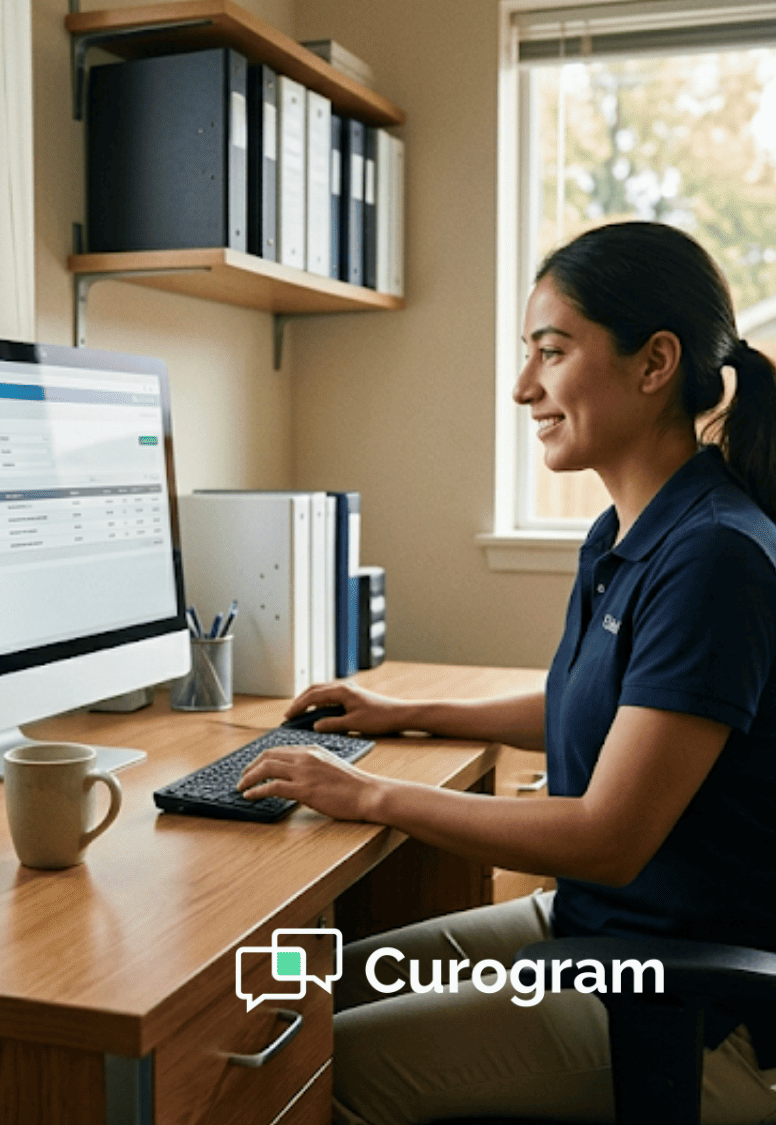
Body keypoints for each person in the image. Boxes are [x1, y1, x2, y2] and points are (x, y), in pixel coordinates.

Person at [238, 221, 776, 1124]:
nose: (524, 386)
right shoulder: (628, 532)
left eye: (552, 351)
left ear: (655, 364)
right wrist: (407, 711)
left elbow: (610, 833)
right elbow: (607, 707)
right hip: (593, 930)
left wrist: (368, 796)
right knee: (291, 979)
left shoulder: (714, 557)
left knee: (309, 1065)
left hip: (674, 1003)